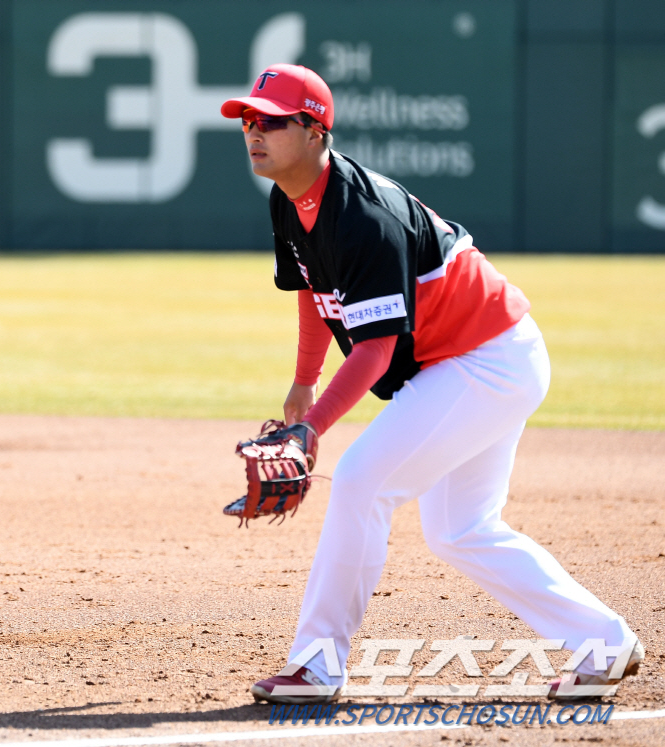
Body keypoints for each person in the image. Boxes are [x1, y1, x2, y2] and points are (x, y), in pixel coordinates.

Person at [220, 64, 642, 702]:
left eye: (272, 121)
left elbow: (377, 348)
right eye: (249, 121)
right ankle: (604, 644)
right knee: (461, 529)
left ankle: (317, 665)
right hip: (472, 360)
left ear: (314, 131)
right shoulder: (289, 198)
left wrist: (311, 431)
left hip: (486, 359)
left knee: (362, 479)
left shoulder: (363, 215)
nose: (255, 132)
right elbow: (313, 289)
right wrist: (303, 386)